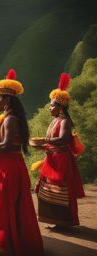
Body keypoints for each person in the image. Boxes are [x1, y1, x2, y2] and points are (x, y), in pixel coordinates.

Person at [0, 69, 43, 256]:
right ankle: (9, 242)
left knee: (5, 205)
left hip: (9, 168)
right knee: (8, 204)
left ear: (7, 100)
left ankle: (6, 243)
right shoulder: (9, 119)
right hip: (8, 166)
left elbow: (6, 146)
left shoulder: (9, 120)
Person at [34, 73, 85, 228]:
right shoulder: (55, 121)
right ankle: (53, 219)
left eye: (52, 105)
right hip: (51, 159)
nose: (49, 108)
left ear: (60, 107)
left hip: (61, 161)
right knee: (45, 189)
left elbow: (63, 139)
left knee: (59, 191)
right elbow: (53, 142)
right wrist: (43, 145)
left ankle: (63, 221)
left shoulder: (65, 122)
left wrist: (45, 141)